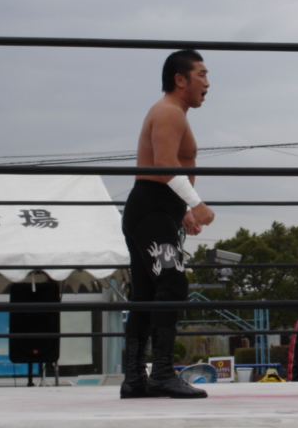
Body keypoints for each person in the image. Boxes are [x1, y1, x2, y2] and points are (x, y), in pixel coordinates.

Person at [120, 49, 215, 399]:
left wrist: (183, 210)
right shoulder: (169, 112)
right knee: (172, 282)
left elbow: (165, 169)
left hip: (154, 209)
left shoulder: (172, 112)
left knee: (146, 295)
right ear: (180, 79)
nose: (207, 83)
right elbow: (163, 165)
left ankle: (134, 378)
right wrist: (196, 204)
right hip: (152, 208)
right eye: (201, 74)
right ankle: (160, 373)